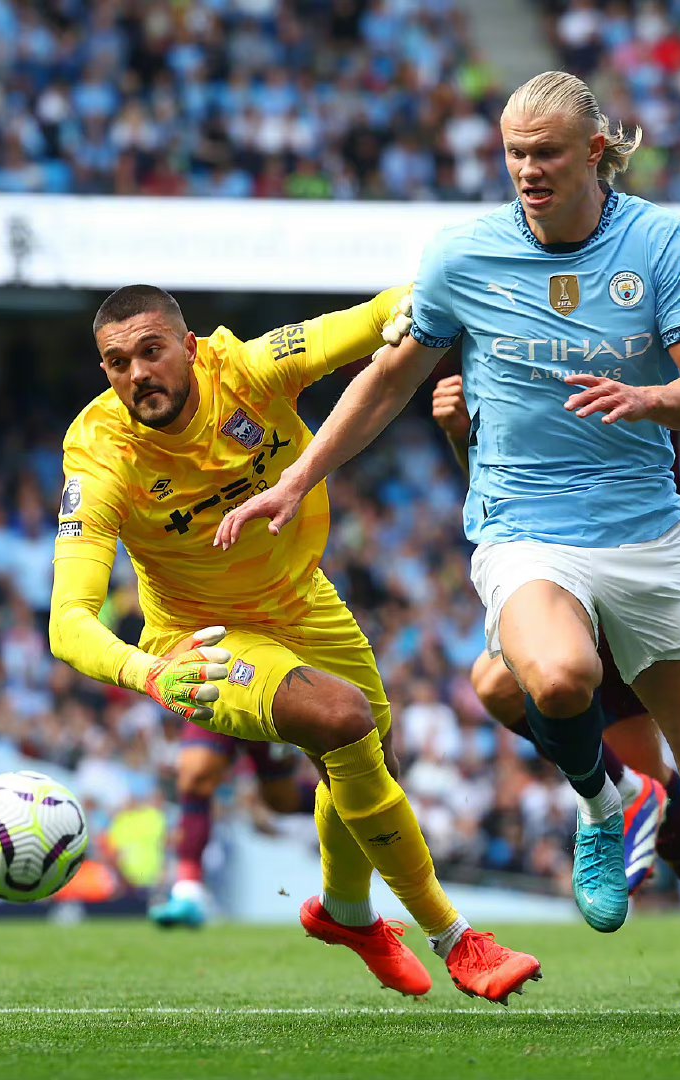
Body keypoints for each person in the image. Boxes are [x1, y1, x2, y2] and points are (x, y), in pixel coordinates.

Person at [218, 71, 680, 1026]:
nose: (527, 171)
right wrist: (300, 477)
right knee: (552, 680)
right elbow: (390, 378)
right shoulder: (463, 256)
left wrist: (649, 397)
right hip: (525, 529)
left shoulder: (660, 243)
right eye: (513, 154)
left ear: (595, 152)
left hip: (646, 533)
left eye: (545, 153)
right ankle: (601, 807)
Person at [49, 283, 540, 1003]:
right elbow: (68, 623)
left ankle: (346, 913)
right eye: (117, 362)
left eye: (152, 352)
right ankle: (454, 937)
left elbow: (369, 321)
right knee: (342, 720)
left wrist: (421, 298)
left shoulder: (246, 369)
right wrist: (149, 672)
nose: (137, 375)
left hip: (302, 599)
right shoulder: (100, 456)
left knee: (376, 757)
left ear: (188, 349)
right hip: (204, 641)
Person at [430, 305, 680, 980]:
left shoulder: (649, 307)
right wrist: (462, 435)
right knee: (526, 704)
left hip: (636, 563)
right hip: (558, 566)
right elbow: (497, 491)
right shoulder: (511, 335)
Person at [148, 730, 313, 928]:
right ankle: (188, 892)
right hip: (216, 702)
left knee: (282, 801)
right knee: (195, 775)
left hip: (266, 707)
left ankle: (347, 803)